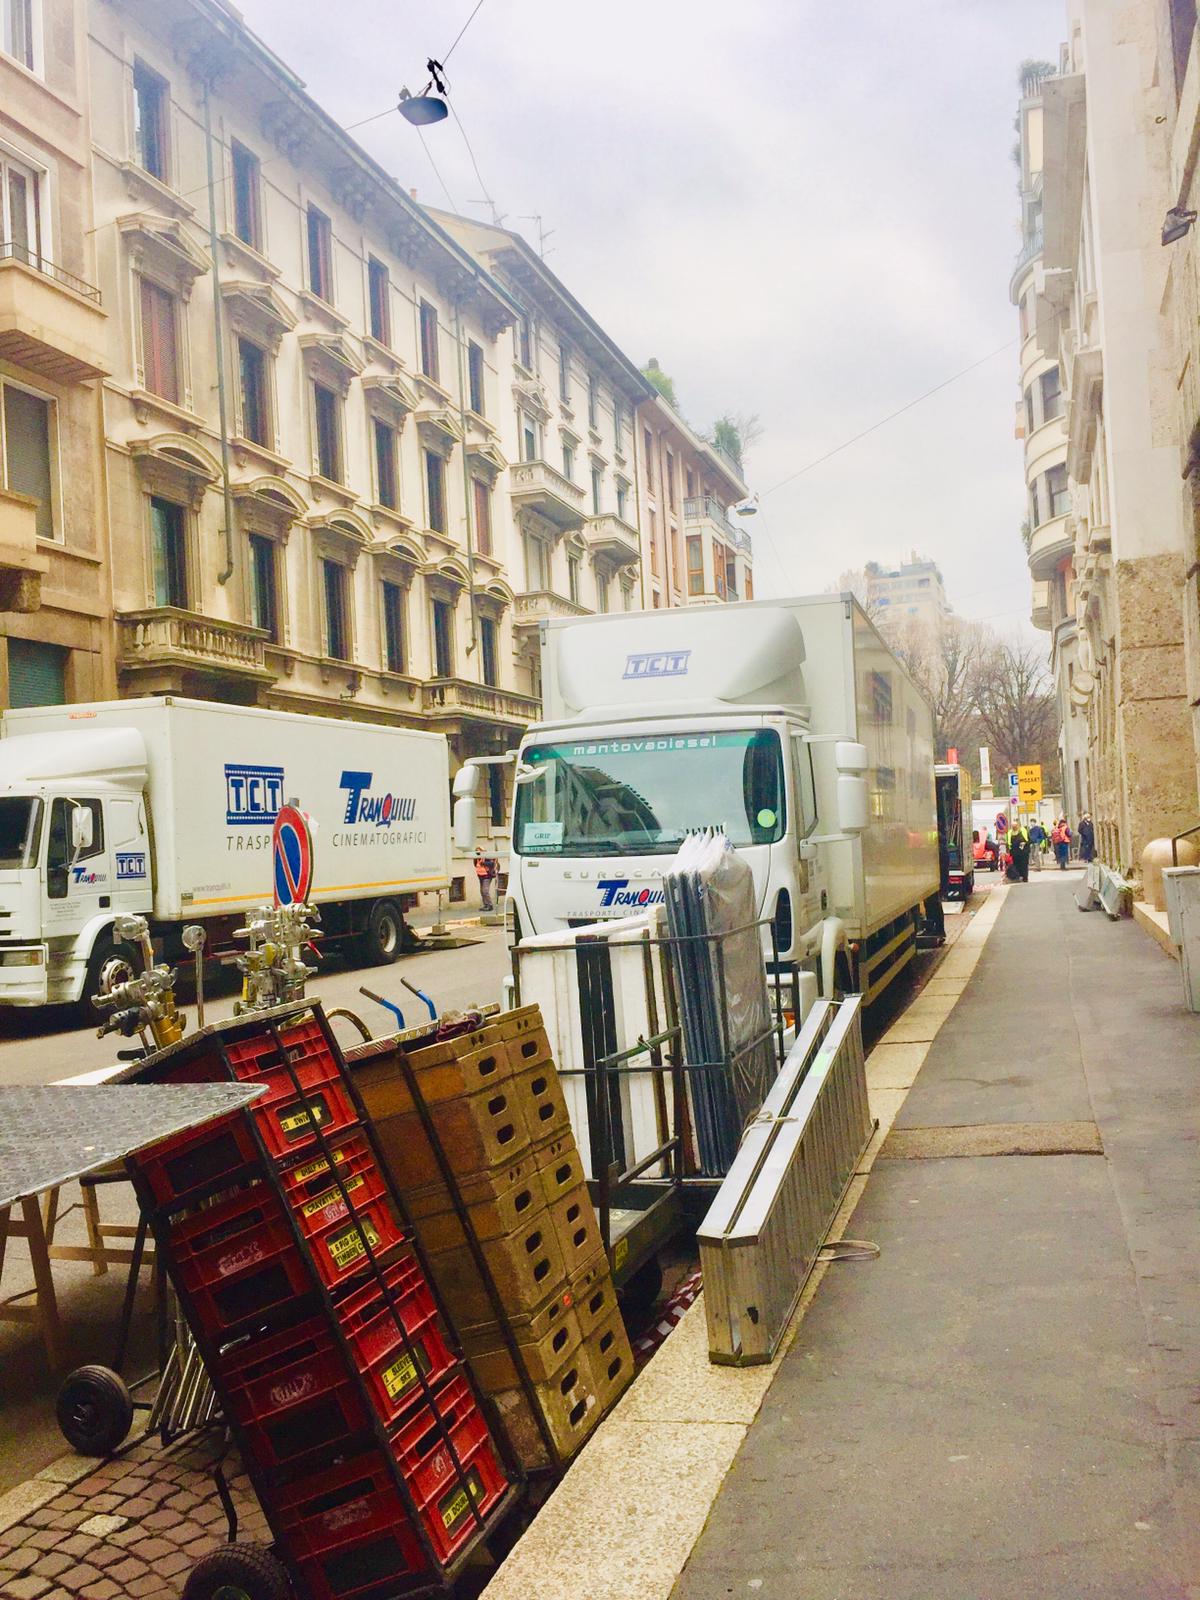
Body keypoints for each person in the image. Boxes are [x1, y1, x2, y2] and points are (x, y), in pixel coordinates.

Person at [474, 846, 498, 911]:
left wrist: (483, 863)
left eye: (479, 850)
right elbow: (476, 865)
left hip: (487, 876)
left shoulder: (486, 856)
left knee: (485, 891)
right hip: (480, 876)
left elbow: (492, 863)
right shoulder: (476, 858)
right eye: (476, 851)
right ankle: (486, 905)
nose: (478, 852)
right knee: (482, 891)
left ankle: (490, 905)